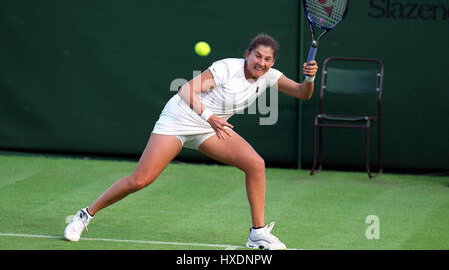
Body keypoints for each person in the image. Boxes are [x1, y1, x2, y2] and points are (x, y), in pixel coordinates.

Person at [64, 34, 318, 250]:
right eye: (258, 56)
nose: (262, 63)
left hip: (209, 128)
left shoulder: (270, 76)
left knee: (255, 164)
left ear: (273, 61)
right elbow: (185, 90)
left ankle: (257, 234)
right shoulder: (226, 69)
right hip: (181, 117)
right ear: (247, 54)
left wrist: (309, 78)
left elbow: (301, 93)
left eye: (268, 59)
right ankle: (84, 215)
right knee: (140, 180)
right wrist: (211, 117)